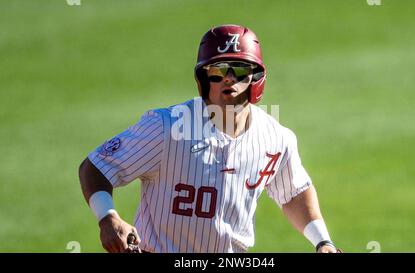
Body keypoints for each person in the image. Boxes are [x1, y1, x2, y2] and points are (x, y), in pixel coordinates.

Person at [78, 24, 340, 253]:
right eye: (218, 70)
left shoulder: (275, 138)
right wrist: (108, 217)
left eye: (239, 69)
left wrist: (322, 242)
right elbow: (96, 167)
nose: (229, 78)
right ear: (204, 78)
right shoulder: (166, 127)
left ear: (255, 79)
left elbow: (293, 193)